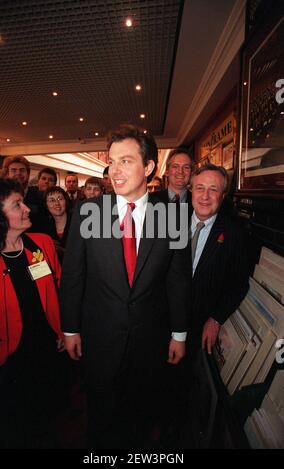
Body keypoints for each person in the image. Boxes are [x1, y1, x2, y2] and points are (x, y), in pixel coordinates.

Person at [60, 125, 191, 448]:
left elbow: (177, 279)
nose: (114, 171)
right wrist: (70, 328)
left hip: (150, 340)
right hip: (99, 338)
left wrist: (179, 334)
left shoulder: (171, 217)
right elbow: (74, 275)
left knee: (141, 420)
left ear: (148, 167)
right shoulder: (89, 212)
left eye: (126, 161)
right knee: (101, 420)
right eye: (112, 162)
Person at [0, 177, 64, 448]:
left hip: (45, 349)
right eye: (17, 205)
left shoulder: (42, 244)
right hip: (3, 361)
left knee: (46, 420)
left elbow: (58, 288)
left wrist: (64, 329)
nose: (27, 208)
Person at [189, 164, 249, 356]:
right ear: (191, 190)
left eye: (213, 189)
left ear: (222, 196)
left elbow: (239, 285)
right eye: (200, 188)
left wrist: (216, 319)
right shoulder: (168, 224)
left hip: (198, 331)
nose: (205, 196)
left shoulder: (235, 235)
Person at [1, 156, 49, 233]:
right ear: (7, 174)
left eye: (22, 170)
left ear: (27, 174)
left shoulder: (40, 195)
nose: (18, 173)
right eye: (14, 170)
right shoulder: (0, 196)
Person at [156, 147, 194, 216]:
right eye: (175, 166)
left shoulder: (199, 202)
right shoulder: (151, 201)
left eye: (186, 167)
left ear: (191, 172)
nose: (180, 171)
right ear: (167, 171)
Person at [45, 185, 72, 263]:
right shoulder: (45, 227)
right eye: (52, 200)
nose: (57, 203)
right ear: (46, 205)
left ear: (66, 201)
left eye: (60, 199)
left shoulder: (77, 223)